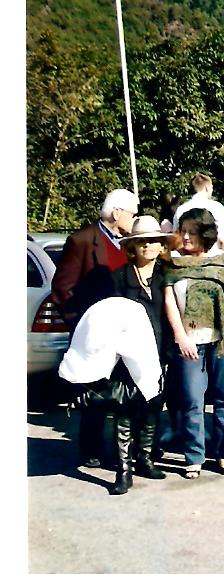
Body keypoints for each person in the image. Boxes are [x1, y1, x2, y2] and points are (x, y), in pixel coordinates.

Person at [52, 188, 139, 468]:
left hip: (123, 331)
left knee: (122, 392)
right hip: (92, 331)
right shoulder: (82, 241)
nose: (134, 219)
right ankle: (90, 448)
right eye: (132, 213)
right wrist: (80, 324)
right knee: (94, 392)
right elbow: (63, 287)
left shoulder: (129, 243)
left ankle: (123, 451)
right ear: (117, 213)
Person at [163, 209, 224, 479]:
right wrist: (180, 336)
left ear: (205, 234)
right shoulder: (172, 263)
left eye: (192, 231)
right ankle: (194, 456)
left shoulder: (221, 261)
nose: (186, 236)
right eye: (183, 230)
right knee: (192, 398)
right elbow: (169, 302)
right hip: (190, 341)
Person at [106, 216, 171, 494]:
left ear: (160, 245)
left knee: (151, 407)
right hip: (127, 355)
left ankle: (144, 458)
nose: (148, 245)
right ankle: (123, 470)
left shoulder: (167, 275)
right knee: (124, 410)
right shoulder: (119, 277)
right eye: (142, 241)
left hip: (159, 353)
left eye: (153, 241)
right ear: (132, 245)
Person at [172, 174, 224, 253]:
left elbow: (177, 237)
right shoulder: (216, 207)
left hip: (187, 257)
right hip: (211, 257)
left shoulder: (181, 209)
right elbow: (222, 240)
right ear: (207, 187)